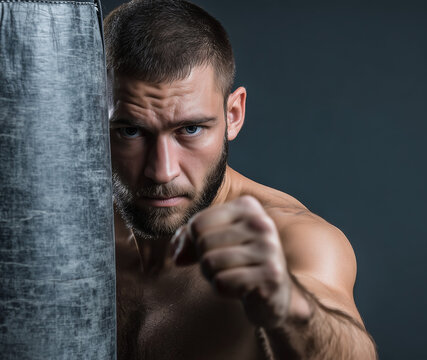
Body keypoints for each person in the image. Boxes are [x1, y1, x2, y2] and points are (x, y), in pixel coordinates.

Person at [105, 1, 376, 359]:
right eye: (131, 131)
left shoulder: (294, 241)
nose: (162, 171)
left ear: (233, 115)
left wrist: (286, 302)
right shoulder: (64, 233)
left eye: (190, 129)